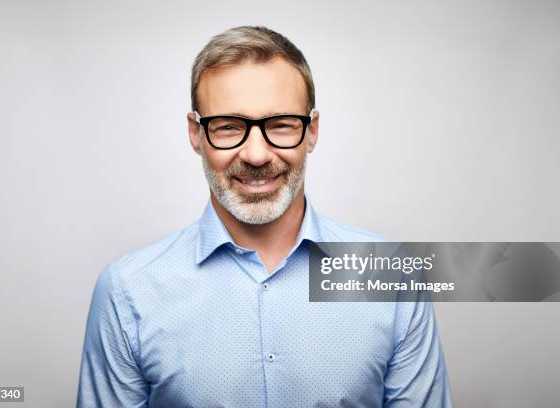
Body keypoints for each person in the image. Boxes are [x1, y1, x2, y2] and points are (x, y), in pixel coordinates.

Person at [76, 25, 452, 407]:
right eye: (228, 127)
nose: (256, 155)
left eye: (280, 125)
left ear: (311, 131)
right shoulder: (127, 292)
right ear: (196, 133)